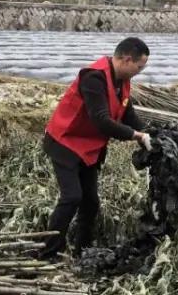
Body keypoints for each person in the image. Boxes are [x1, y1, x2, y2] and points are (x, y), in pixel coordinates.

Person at [40, 37, 152, 259]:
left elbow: (127, 114)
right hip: (65, 142)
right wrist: (136, 136)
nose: (140, 71)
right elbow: (101, 120)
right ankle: (48, 252)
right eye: (139, 67)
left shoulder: (122, 80)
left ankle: (82, 250)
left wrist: (149, 133)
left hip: (89, 148)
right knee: (72, 197)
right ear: (127, 59)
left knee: (90, 202)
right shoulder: (94, 78)